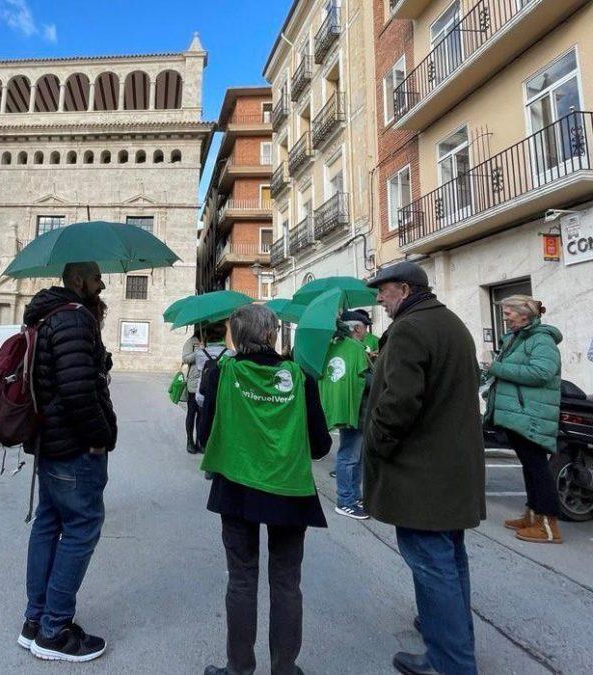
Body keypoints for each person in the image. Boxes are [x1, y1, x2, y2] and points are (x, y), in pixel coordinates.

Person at [363, 261, 485, 675]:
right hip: (449, 471)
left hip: (422, 475)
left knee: (434, 569)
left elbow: (399, 403)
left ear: (404, 289)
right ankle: (452, 647)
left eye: (383, 290)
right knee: (450, 564)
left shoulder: (411, 329)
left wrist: (376, 445)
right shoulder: (450, 323)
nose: (379, 298)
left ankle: (451, 663)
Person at [198, 304, 332, 675]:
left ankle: (239, 668)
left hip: (236, 489)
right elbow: (321, 445)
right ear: (272, 334)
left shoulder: (219, 372)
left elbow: (204, 435)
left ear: (236, 338)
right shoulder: (300, 376)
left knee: (241, 580)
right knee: (287, 582)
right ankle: (285, 668)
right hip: (290, 492)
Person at [19, 261, 117, 663]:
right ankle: (54, 630)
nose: (102, 283)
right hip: (75, 446)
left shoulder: (46, 316)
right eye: (96, 278)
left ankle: (35, 621)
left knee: (48, 523)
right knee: (81, 527)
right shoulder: (74, 319)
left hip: (49, 441)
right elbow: (77, 390)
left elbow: (66, 374)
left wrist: (99, 361)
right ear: (79, 281)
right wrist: (99, 438)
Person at [484, 295, 563, 544]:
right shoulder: (518, 339)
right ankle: (533, 515)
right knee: (530, 466)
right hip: (520, 412)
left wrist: (496, 368)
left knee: (538, 467)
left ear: (524, 314)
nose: (505, 318)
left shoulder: (541, 339)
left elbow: (542, 372)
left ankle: (549, 526)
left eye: (508, 313)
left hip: (531, 413)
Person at [319, 311, 372, 520]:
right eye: (365, 328)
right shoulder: (355, 349)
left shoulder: (333, 348)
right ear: (357, 328)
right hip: (357, 409)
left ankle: (353, 496)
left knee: (354, 456)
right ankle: (346, 500)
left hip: (344, 407)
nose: (366, 333)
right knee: (350, 456)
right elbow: (367, 380)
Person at [183, 328, 203, 453]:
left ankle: (200, 441)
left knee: (202, 415)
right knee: (192, 413)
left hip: (205, 382)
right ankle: (190, 441)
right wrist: (198, 352)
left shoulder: (209, 342)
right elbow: (185, 359)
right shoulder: (191, 342)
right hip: (194, 383)